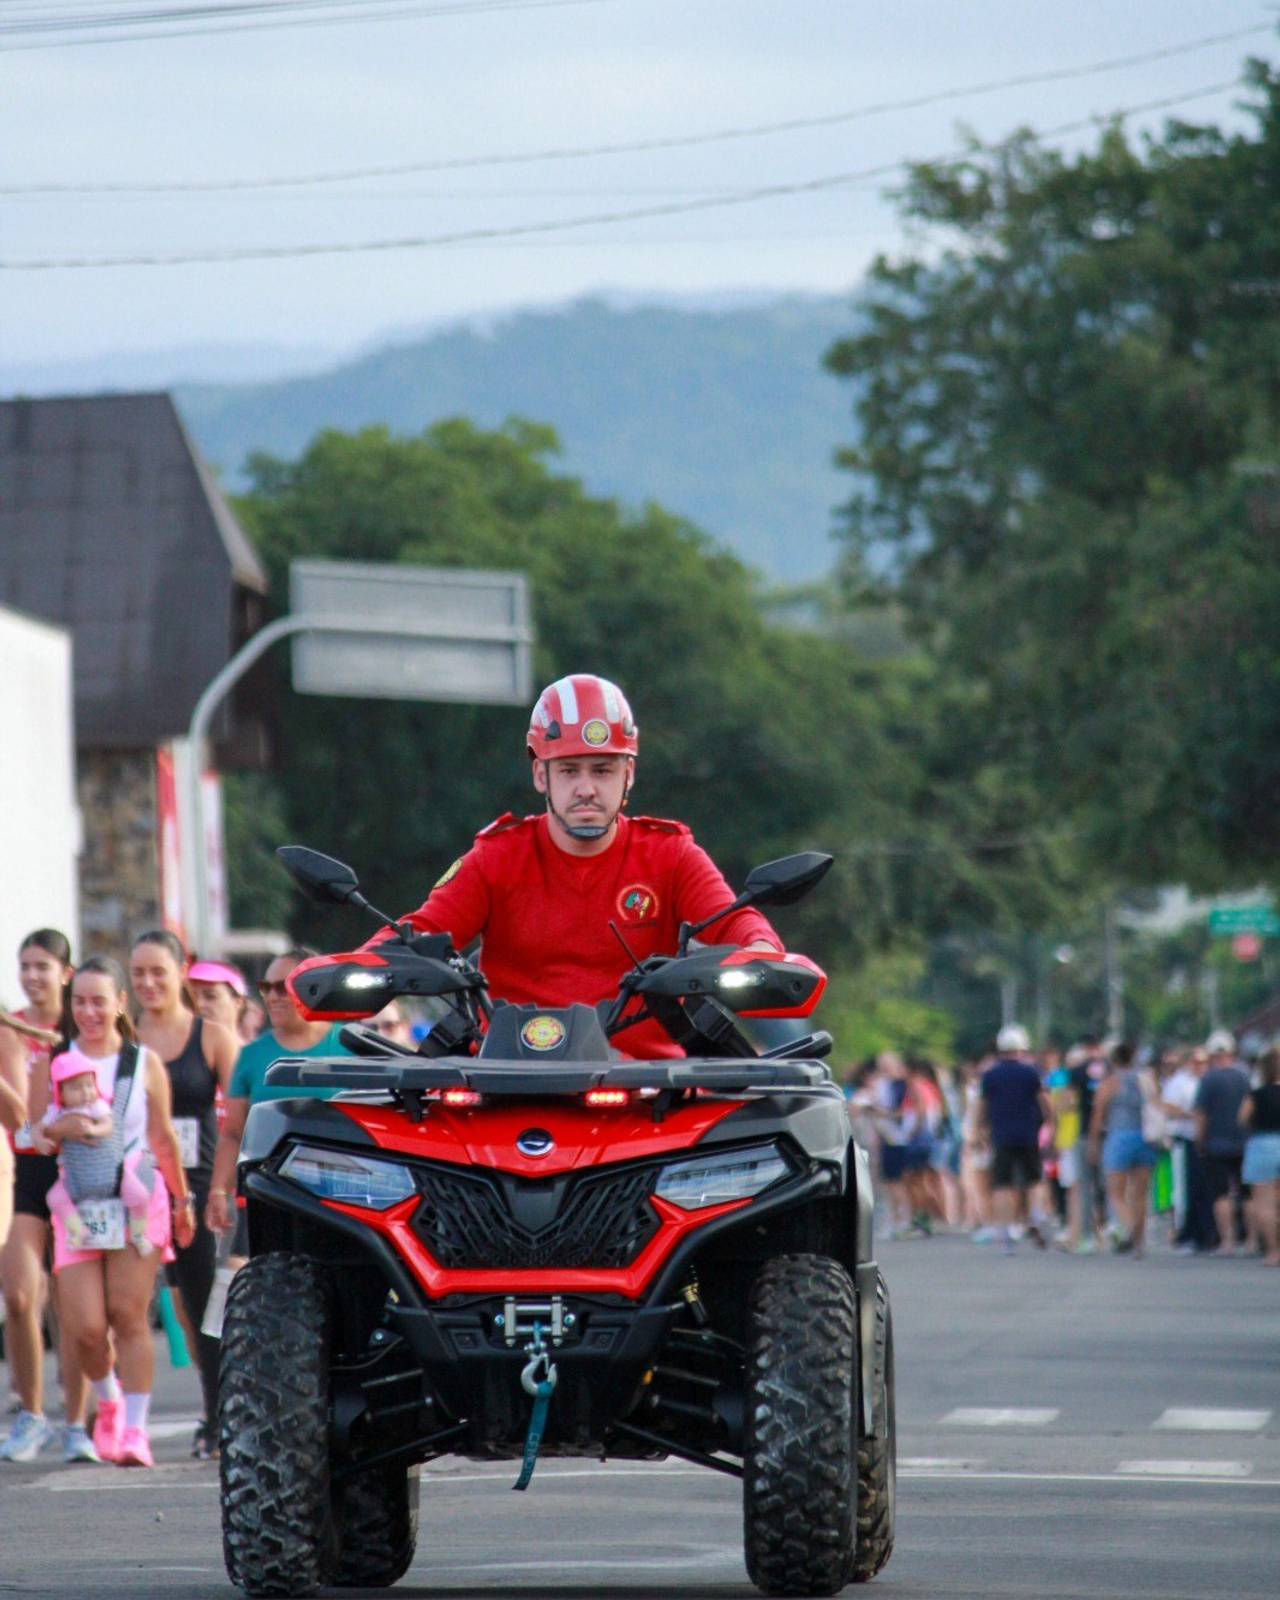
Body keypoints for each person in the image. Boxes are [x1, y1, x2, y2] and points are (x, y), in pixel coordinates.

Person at [382, 674, 782, 1059]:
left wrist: (761, 950)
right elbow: (418, 932)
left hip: (650, 1093)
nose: (586, 788)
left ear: (629, 774)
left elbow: (737, 922)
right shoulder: (496, 856)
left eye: (603, 770)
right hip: (503, 1086)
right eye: (569, 770)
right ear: (541, 774)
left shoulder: (671, 854)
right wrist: (361, 964)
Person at [35, 956, 195, 1468]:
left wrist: (183, 1195)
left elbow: (163, 1136)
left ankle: (135, 1429)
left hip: (135, 1198)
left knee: (128, 1315)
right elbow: (36, 1135)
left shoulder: (141, 1061)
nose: (88, 1012)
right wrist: (60, 1130)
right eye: (79, 1001)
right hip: (79, 1205)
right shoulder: (57, 1060)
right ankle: (106, 1401)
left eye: (99, 1001)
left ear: (119, 1003)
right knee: (83, 1326)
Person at [130, 930, 239, 1460]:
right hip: (135, 1185)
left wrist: (224, 1187)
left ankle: (219, 1419)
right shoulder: (124, 1036)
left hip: (196, 1187)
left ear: (180, 973)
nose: (148, 983)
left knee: (204, 1306)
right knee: (158, 1307)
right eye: (138, 974)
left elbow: (244, 1113)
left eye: (158, 972)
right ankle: (112, 1420)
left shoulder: (211, 1036)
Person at [0, 930, 94, 1464]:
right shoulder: (9, 1027)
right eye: (24, 965)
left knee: (71, 1304)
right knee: (18, 1296)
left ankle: (76, 1420)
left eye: (42, 966)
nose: (32, 976)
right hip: (24, 1172)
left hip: (77, 1172)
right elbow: (18, 1118)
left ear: (65, 971)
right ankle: (31, 1414)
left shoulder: (79, 1029)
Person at [205, 950, 352, 1250]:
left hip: (340, 1200)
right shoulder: (251, 1056)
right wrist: (219, 1191)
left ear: (315, 987)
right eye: (266, 987)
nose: (272, 997)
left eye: (282, 987)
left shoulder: (350, 1046)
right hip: (271, 1198)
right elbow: (233, 1132)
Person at [41, 1057, 155, 1253]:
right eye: (77, 1088)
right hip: (76, 1176)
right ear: (61, 1092)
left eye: (89, 1085)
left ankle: (138, 1234)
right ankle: (78, 1229)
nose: (86, 1093)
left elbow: (107, 1125)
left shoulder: (97, 1106)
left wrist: (92, 1130)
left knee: (139, 1196)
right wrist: (62, 1130)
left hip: (111, 1170)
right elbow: (45, 1131)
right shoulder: (56, 1112)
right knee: (54, 1198)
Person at [978, 1024, 1053, 1254]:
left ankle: (1005, 1234)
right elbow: (1045, 1102)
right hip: (1028, 1134)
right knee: (1033, 1180)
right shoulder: (1032, 1072)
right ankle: (1035, 1216)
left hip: (1001, 1135)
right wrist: (1051, 1124)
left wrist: (981, 1130)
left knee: (1002, 1185)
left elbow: (982, 1107)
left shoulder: (990, 1074)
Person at [1088, 1040, 1158, 1255]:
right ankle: (1139, 1242)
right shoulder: (1146, 1081)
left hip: (1119, 1137)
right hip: (1145, 1136)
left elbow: (1098, 1119)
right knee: (1140, 1194)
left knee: (1116, 1192)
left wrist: (1093, 1144)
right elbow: (1156, 1104)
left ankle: (1128, 1225)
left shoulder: (1109, 1084)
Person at [1194, 1029, 1252, 1255]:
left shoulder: (1208, 1079)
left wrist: (1200, 1141)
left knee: (1221, 1194)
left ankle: (1227, 1241)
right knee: (1248, 1195)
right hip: (1244, 1142)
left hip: (1216, 1144)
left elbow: (1201, 1115)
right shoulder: (1244, 1076)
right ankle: (1252, 1241)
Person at [1240, 1045, 1280, 1266]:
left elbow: (1242, 1118)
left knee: (1264, 1203)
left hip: (1262, 1144)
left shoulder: (1256, 1094)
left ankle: (1273, 1251)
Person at [187, 959, 249, 1040]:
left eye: (210, 996)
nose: (198, 1004)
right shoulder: (171, 1051)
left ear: (239, 1002)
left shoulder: (254, 1052)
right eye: (191, 997)